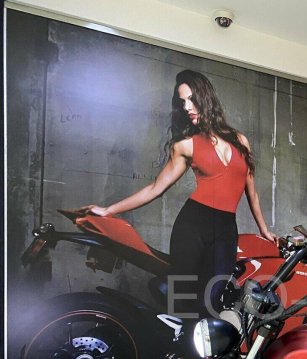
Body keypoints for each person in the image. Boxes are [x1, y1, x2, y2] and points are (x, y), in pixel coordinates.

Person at [82, 69, 276, 316]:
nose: (187, 107)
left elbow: (252, 192)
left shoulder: (240, 141)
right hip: (192, 225)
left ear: (206, 97)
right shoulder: (186, 145)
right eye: (182, 102)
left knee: (212, 300)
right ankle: (172, 340)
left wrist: (264, 229)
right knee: (183, 301)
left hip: (226, 229)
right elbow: (156, 188)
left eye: (191, 99)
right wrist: (108, 210)